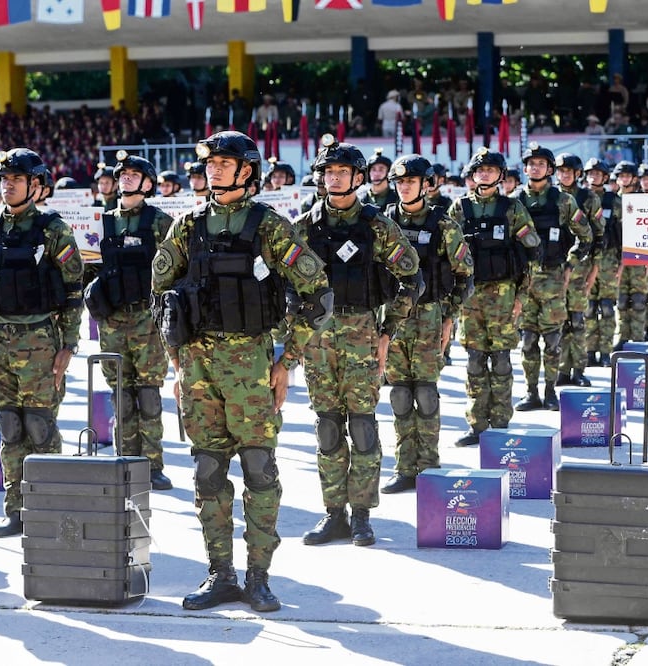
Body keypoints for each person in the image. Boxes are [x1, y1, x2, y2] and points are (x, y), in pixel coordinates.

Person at [152, 130, 333, 613]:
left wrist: (286, 362)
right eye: (209, 162)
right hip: (196, 368)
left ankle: (258, 576)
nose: (213, 169)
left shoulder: (269, 226)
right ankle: (221, 574)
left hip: (252, 365)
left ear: (247, 170)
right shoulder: (187, 225)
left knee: (258, 469)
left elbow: (318, 295)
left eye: (224, 162)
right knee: (208, 472)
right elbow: (161, 295)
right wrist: (176, 359)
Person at [294, 135, 421, 544]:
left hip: (363, 336)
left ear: (358, 177)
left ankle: (362, 513)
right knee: (328, 427)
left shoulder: (377, 226)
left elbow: (411, 280)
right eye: (328, 172)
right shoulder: (304, 226)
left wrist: (387, 332)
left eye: (342, 172)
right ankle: (335, 513)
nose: (334, 179)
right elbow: (282, 281)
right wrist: (294, 335)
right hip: (317, 340)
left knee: (362, 426)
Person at [0, 148, 84, 539]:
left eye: (16, 179)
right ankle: (14, 509)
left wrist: (68, 344)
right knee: (10, 425)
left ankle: (48, 506)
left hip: (39, 338)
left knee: (39, 426)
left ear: (36, 185)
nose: (7, 186)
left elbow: (72, 290)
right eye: (3, 179)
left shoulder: (54, 229)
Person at [381, 154, 473, 493]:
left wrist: (450, 318)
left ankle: (429, 466)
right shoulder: (384, 221)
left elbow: (466, 274)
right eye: (400, 182)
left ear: (426, 184)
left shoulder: (443, 224)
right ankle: (405, 467)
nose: (404, 187)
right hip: (393, 316)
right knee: (400, 395)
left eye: (411, 181)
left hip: (429, 316)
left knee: (425, 392)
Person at [84, 151, 174, 491]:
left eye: (134, 174)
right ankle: (125, 459)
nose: (126, 178)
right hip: (113, 320)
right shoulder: (101, 221)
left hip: (146, 319)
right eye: (122, 173)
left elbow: (175, 268)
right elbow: (86, 268)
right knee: (120, 392)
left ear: (148, 183)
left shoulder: (159, 222)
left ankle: (152, 465)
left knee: (148, 394)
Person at [450, 147, 539, 442]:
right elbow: (446, 255)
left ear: (501, 175)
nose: (484, 174)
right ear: (472, 175)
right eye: (480, 170)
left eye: (490, 170)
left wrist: (520, 298)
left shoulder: (513, 209)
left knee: (501, 359)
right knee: (475, 360)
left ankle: (500, 422)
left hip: (504, 295)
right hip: (471, 295)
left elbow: (532, 253)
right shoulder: (459, 209)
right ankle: (477, 424)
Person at [512, 143, 588, 413]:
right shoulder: (515, 201)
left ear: (550, 169)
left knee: (553, 341)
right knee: (528, 340)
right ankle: (531, 393)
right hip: (524, 280)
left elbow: (586, 236)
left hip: (554, 279)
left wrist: (570, 266)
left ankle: (550, 391)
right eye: (531, 164)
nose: (535, 168)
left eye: (541, 164)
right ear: (524, 168)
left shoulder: (564, 201)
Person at [553, 153, 603, 388]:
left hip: (581, 267)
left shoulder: (588, 198)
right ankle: (562, 370)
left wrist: (594, 270)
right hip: (555, 268)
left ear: (577, 174)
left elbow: (599, 237)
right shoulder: (551, 197)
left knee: (578, 320)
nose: (564, 175)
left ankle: (579, 369)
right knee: (559, 321)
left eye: (568, 171)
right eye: (560, 171)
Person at [582, 158, 621, 367]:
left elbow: (624, 233)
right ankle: (589, 350)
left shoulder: (615, 201)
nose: (593, 177)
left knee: (606, 306)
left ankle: (606, 351)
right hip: (585, 258)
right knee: (588, 307)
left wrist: (622, 264)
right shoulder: (578, 199)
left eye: (597, 174)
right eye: (590, 174)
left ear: (605, 177)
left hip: (608, 259)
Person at [613, 162, 648, 349]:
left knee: (638, 300)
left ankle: (638, 338)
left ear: (634, 178)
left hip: (638, 256)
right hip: (616, 256)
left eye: (628, 176)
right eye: (621, 176)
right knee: (620, 300)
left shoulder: (642, 201)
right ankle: (621, 337)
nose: (624, 179)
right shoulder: (611, 201)